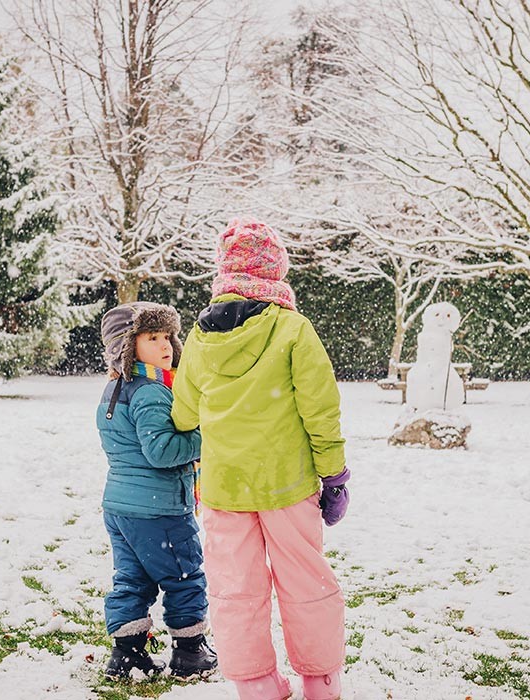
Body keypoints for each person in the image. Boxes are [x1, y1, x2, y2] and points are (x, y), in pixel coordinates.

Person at [171, 221, 351, 700]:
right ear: (277, 271)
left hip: (225, 488)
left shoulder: (201, 338)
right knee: (304, 579)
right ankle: (321, 679)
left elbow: (184, 413)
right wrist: (333, 474)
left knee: (237, 588)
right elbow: (321, 408)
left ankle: (255, 684)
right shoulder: (292, 328)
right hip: (286, 483)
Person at [96, 301, 217, 679]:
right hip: (159, 508)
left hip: (121, 506)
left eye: (167, 337)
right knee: (184, 575)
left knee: (132, 578)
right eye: (152, 338)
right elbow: (162, 451)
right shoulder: (150, 391)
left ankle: (127, 652)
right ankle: (189, 652)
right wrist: (205, 439)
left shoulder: (114, 389)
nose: (166, 346)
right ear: (127, 346)